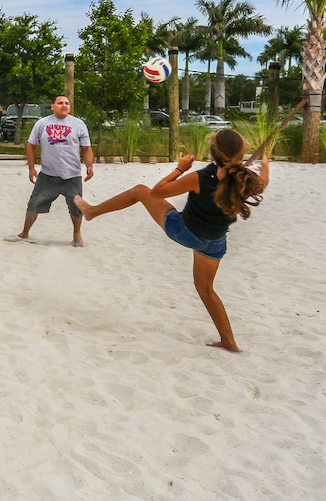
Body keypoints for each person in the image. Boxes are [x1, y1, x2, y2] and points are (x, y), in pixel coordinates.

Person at [73, 129, 268, 353]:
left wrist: (179, 169)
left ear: (213, 152)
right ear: (241, 153)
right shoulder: (245, 179)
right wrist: (266, 169)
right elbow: (262, 184)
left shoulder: (201, 177)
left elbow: (157, 192)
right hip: (213, 242)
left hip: (184, 231)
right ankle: (229, 342)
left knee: (140, 191)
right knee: (206, 290)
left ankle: (93, 211)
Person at [16, 95, 93, 247]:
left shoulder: (78, 124)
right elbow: (31, 146)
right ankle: (25, 232)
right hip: (48, 175)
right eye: (60, 103)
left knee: (76, 207)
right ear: (53, 106)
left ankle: (77, 234)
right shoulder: (42, 123)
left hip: (72, 176)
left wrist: (89, 165)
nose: (64, 105)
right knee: (34, 203)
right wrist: (32, 168)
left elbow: (87, 148)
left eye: (67, 103)